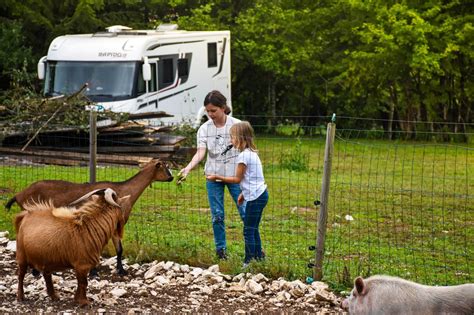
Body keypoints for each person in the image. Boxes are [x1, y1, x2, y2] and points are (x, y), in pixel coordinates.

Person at [177, 90, 245, 260]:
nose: (210, 114)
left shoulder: (237, 126)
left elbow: (247, 151)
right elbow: (201, 153)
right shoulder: (204, 129)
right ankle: (221, 250)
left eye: (213, 110)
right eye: (208, 111)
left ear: (223, 108)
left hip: (235, 177)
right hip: (213, 177)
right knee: (217, 215)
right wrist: (188, 168)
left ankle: (254, 249)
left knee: (245, 212)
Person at [206, 121, 268, 267]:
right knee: (253, 228)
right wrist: (243, 194)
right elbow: (252, 178)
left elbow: (237, 179)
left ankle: (248, 262)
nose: (230, 141)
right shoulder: (252, 153)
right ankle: (258, 257)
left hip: (255, 197)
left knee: (248, 231)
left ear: (241, 138)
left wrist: (217, 177)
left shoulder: (242, 157)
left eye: (232, 137)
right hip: (261, 194)